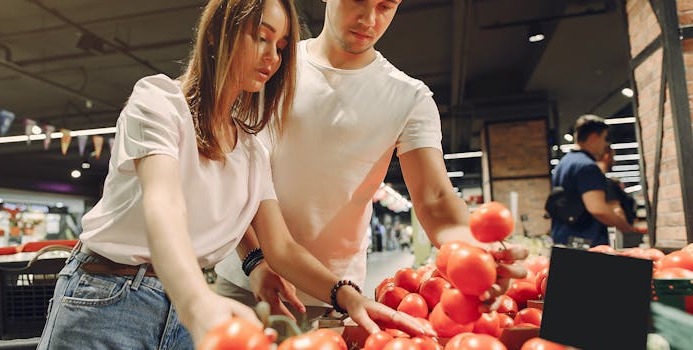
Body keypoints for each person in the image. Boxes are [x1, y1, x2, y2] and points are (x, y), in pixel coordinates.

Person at [38, 1, 427, 349]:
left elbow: (282, 248)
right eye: (261, 37)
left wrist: (347, 295)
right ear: (217, 34)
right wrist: (197, 302)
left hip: (182, 312)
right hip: (108, 295)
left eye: (280, 47)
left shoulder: (250, 150)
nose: (272, 57)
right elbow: (165, 207)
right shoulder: (158, 102)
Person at [215, 0, 528, 320]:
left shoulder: (409, 97)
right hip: (245, 279)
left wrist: (473, 252)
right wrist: (255, 260)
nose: (368, 19)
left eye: (384, 6)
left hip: (336, 294)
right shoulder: (270, 65)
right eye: (358, 1)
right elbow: (232, 173)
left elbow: (434, 199)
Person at [550, 115, 643, 247]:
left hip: (565, 240)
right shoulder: (587, 166)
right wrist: (627, 228)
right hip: (586, 243)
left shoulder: (564, 163)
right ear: (594, 137)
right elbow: (598, 209)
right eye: (604, 138)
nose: (605, 144)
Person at [596, 144, 641, 247]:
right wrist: (629, 231)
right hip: (618, 236)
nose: (614, 161)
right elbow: (617, 211)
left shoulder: (594, 183)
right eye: (613, 156)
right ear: (607, 156)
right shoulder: (607, 183)